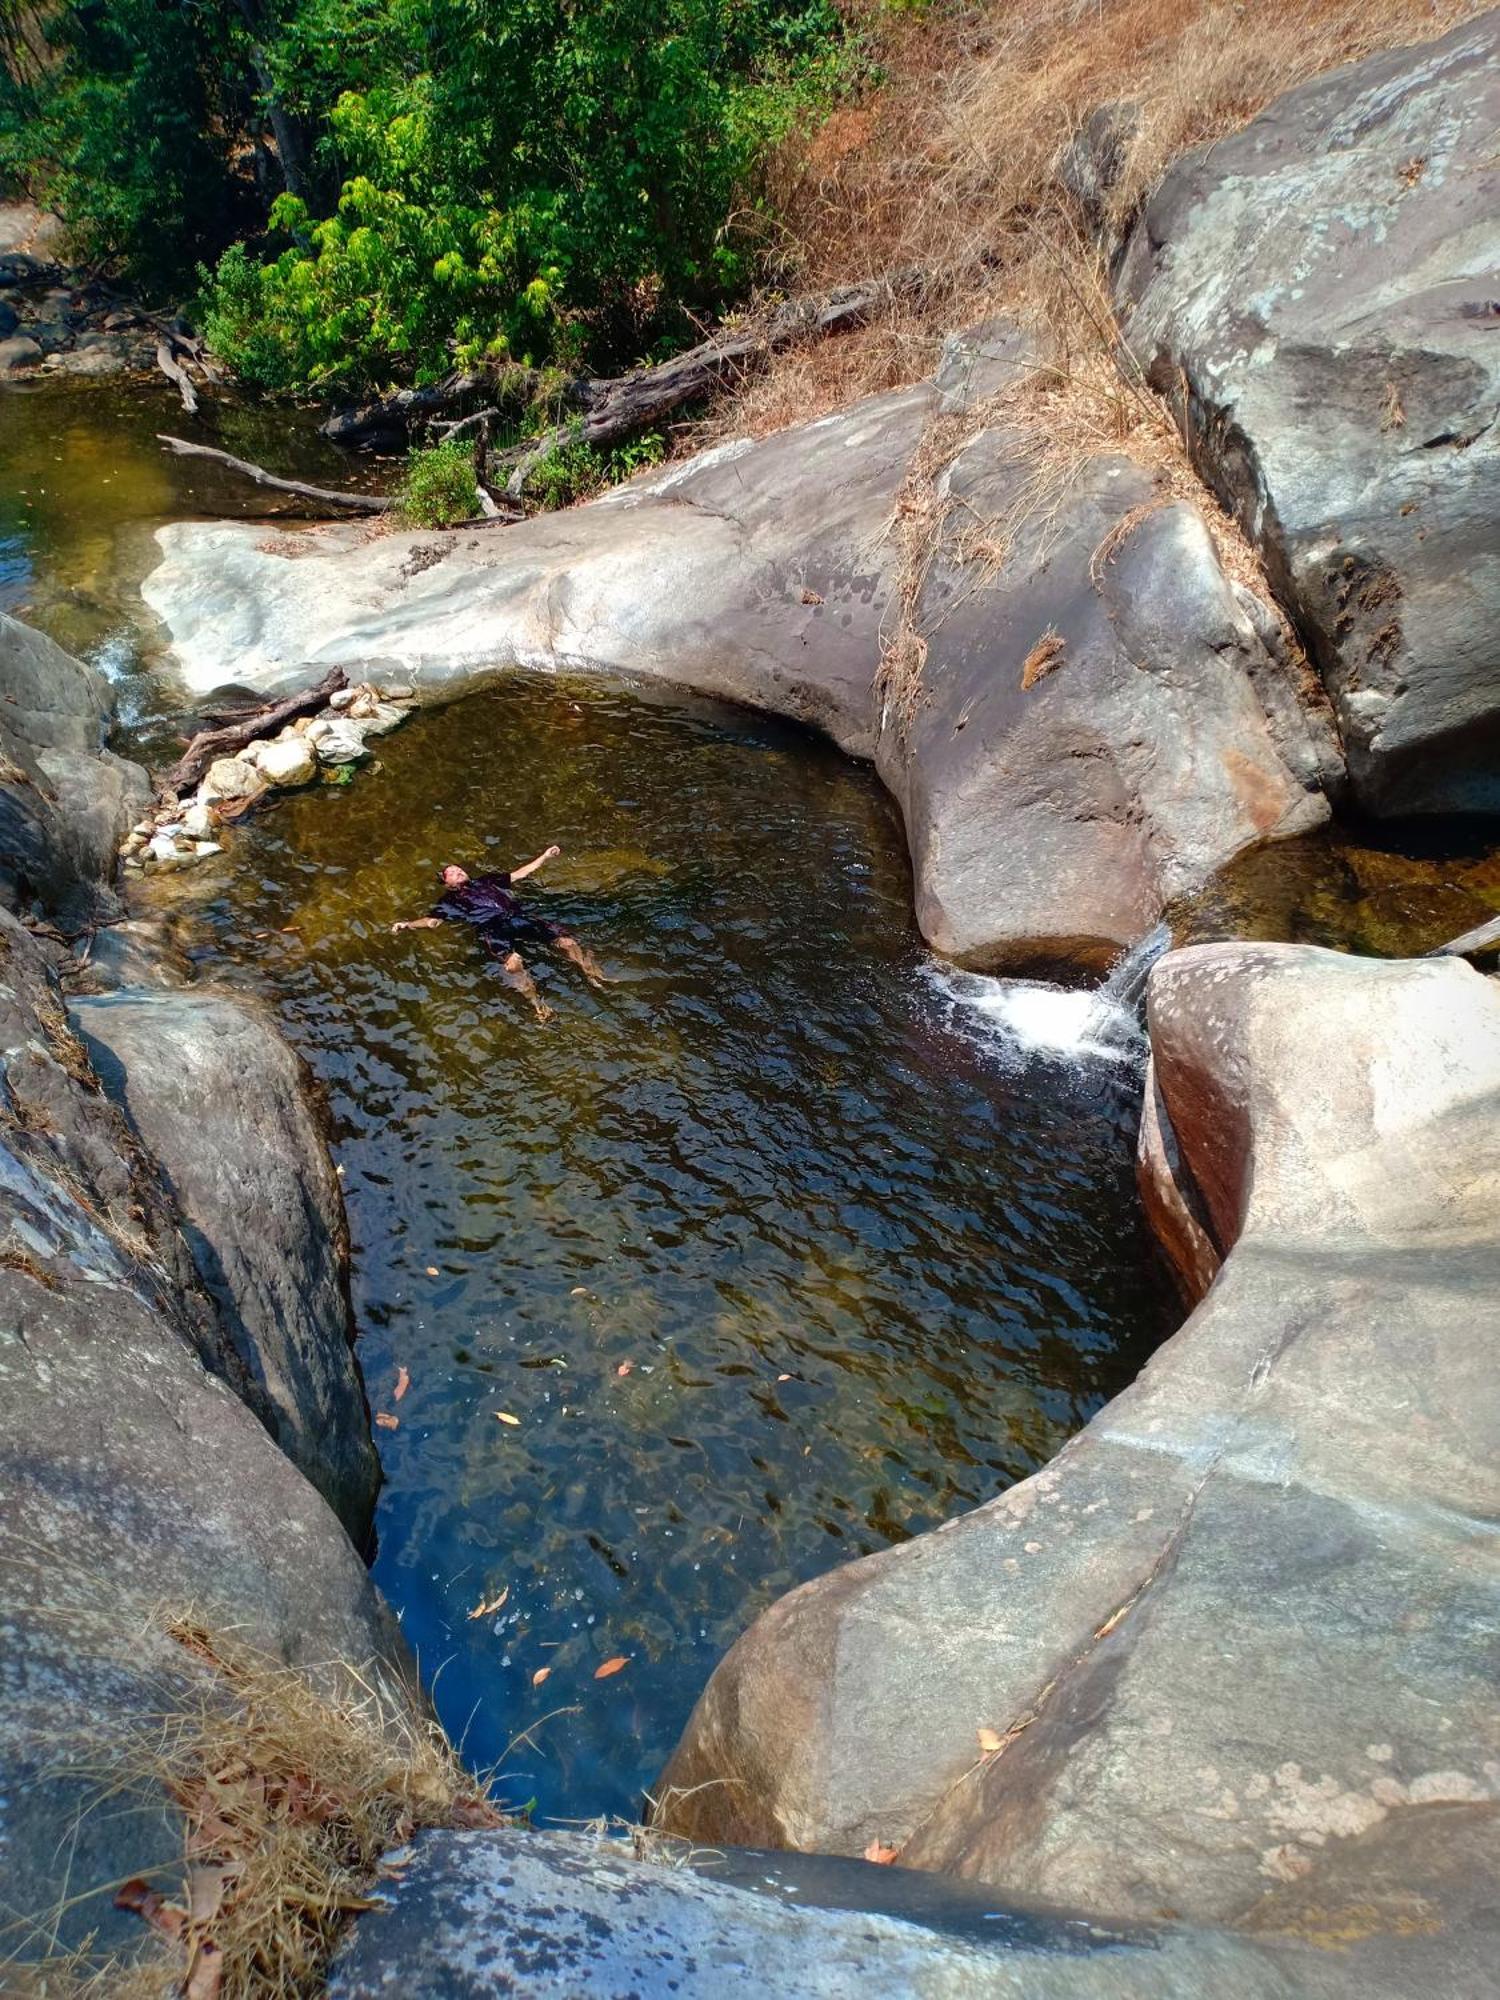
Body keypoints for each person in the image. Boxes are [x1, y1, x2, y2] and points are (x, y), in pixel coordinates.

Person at [392, 844, 608, 1021]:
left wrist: (544, 856)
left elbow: (519, 874)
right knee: (514, 963)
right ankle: (538, 1007)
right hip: (491, 929)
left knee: (567, 942)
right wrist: (407, 924)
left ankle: (592, 974)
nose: (460, 871)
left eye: (460, 869)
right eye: (453, 873)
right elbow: (432, 923)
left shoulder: (486, 880)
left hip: (516, 918)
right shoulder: (449, 901)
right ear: (446, 884)